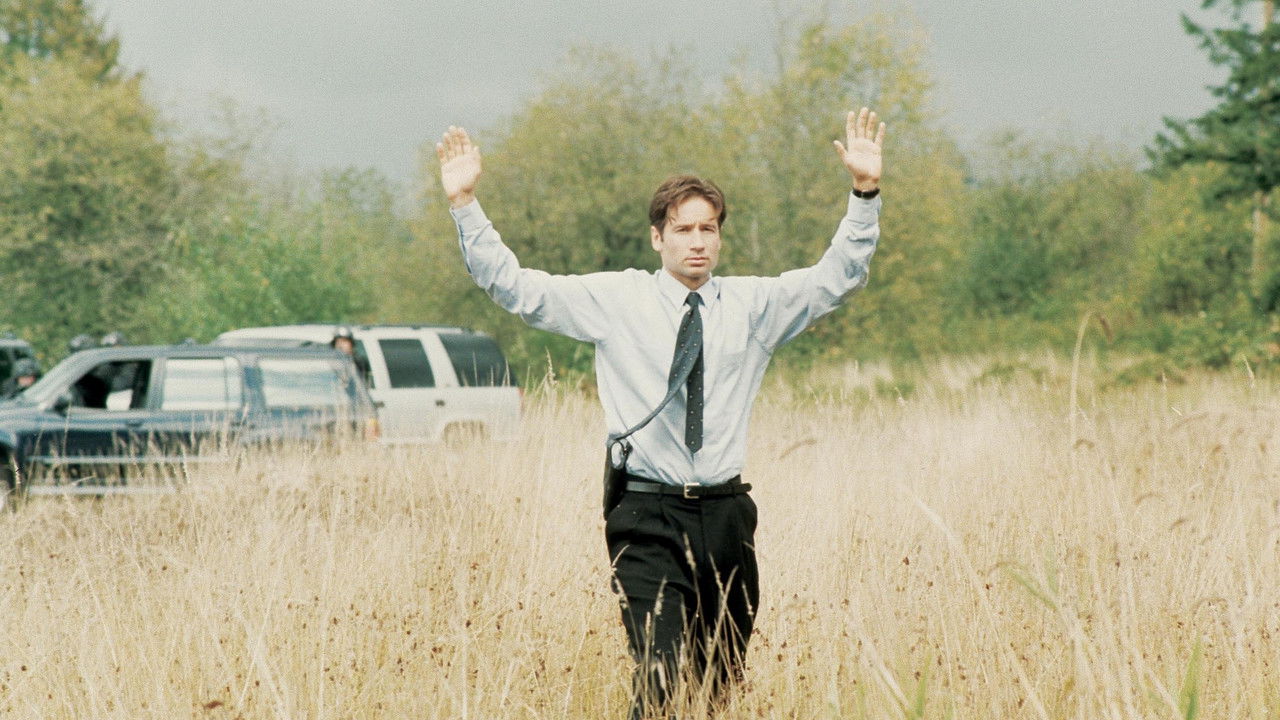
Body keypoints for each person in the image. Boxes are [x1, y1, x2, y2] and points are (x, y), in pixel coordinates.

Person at [437, 107, 885, 718]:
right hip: (646, 514)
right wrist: (465, 204)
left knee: (718, 685)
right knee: (660, 673)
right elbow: (517, 287)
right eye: (683, 229)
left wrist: (864, 193)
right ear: (658, 238)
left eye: (708, 229)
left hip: (726, 515)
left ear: (719, 237)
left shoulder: (755, 307)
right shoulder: (615, 300)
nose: (697, 241)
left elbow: (838, 277)